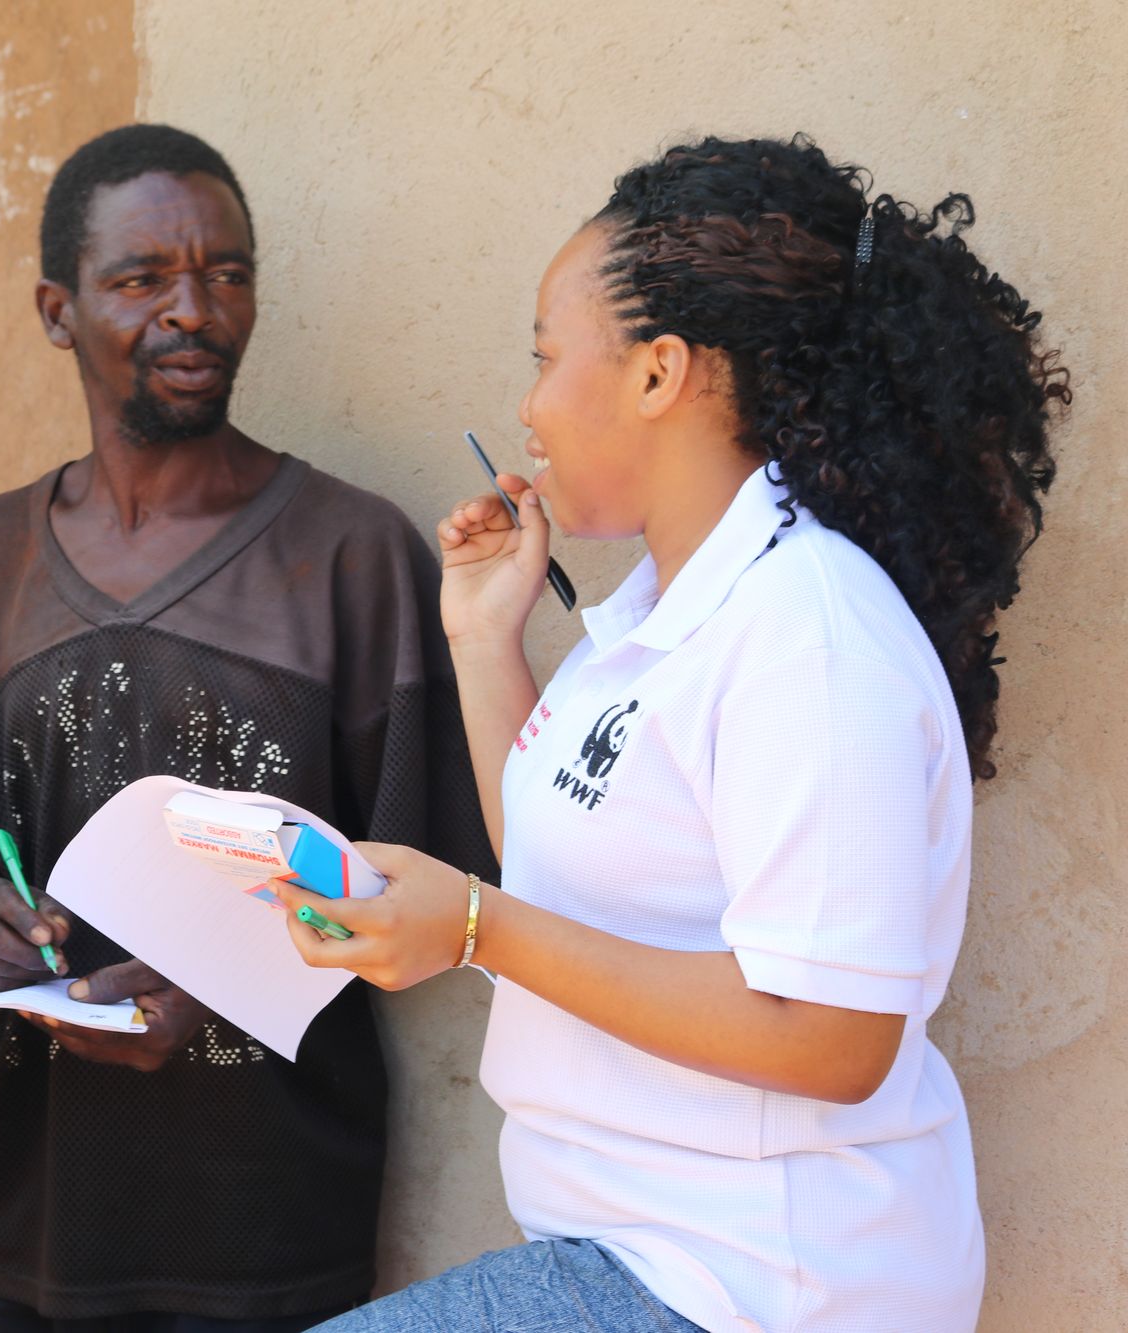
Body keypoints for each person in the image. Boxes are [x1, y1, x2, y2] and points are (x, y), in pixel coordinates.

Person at [278, 135, 1069, 1332]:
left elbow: (834, 1037)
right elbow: (562, 870)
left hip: (761, 1286)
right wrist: (483, 643)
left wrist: (476, 926)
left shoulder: (807, 635)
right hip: (638, 1252)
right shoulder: (669, 611)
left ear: (658, 372)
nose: (527, 407)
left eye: (544, 358)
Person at [0, 123, 495, 1333]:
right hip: (38, 1203)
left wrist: (222, 978)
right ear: (56, 311)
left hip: (265, 1213)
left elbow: (424, 893)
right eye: (141, 277)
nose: (192, 311)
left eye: (226, 273)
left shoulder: (352, 554)